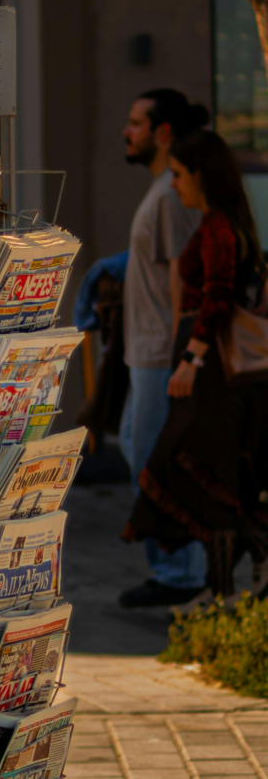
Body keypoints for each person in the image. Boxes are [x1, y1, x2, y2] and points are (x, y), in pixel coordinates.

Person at [123, 129, 268, 607]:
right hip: (205, 364)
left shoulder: (219, 227)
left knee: (197, 470)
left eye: (180, 175)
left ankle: (227, 586)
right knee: (206, 475)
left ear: (202, 175)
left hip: (210, 370)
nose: (175, 184)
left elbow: (218, 297)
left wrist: (190, 359)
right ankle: (222, 589)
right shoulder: (216, 223)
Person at [119, 89, 208, 608]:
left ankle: (181, 572)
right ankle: (175, 566)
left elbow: (185, 279)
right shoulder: (161, 190)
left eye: (135, 123)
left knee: (159, 462)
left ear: (163, 132)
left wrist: (184, 355)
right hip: (144, 352)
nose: (126, 132)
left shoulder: (171, 195)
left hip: (160, 354)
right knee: (138, 452)